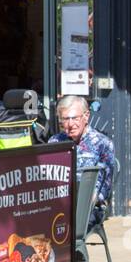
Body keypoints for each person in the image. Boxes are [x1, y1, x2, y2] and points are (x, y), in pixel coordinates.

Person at [48, 94, 115, 227]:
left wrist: (81, 204)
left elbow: (103, 189)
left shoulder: (102, 144)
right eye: (65, 119)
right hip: (58, 205)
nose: (70, 124)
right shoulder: (55, 142)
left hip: (90, 207)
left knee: (68, 226)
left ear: (86, 116)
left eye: (74, 118)